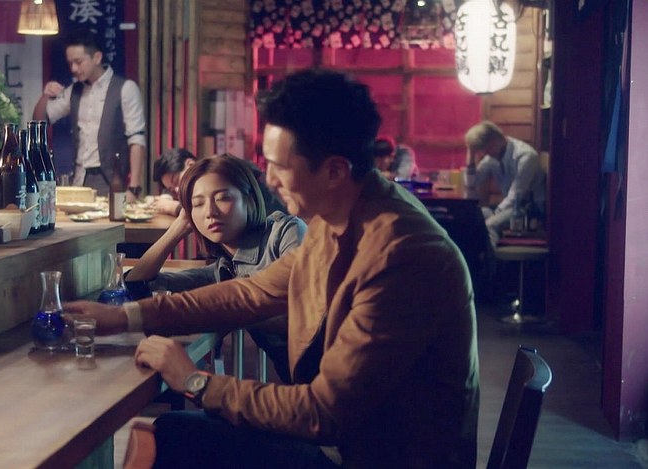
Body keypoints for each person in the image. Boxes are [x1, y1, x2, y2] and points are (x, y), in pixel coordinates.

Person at [64, 69, 479, 468]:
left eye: (280, 166)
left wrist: (196, 382)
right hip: (345, 444)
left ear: (334, 171)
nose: (271, 180)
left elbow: (323, 412)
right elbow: (253, 291)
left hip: (371, 458)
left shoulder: (402, 256)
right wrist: (126, 317)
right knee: (173, 432)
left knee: (174, 438)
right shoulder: (341, 216)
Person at [125, 154, 306, 383]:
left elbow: (299, 314)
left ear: (249, 199)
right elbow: (136, 283)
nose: (210, 212)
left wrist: (219, 311)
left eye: (223, 198)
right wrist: (178, 228)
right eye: (198, 204)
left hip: (328, 381)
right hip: (298, 386)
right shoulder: (222, 271)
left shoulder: (286, 232)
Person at [33, 32, 146, 202]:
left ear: (97, 57)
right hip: (79, 179)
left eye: (78, 62)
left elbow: (136, 138)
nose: (74, 69)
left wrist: (134, 187)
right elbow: (39, 122)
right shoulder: (74, 90)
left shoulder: (126, 88)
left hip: (111, 179)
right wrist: (45, 96)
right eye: (70, 63)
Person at [464, 121, 546, 246]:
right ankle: (475, 256)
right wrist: (470, 155)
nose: (484, 153)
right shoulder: (492, 157)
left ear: (495, 140)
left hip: (529, 210)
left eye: (485, 148)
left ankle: (491, 258)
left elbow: (516, 195)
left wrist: (495, 214)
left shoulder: (525, 156)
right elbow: (473, 184)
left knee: (490, 224)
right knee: (472, 216)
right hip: (509, 207)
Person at [151, 148, 286, 216]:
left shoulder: (218, 172)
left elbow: (214, 211)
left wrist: (174, 208)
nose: (177, 189)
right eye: (172, 189)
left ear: (190, 164)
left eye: (176, 181)